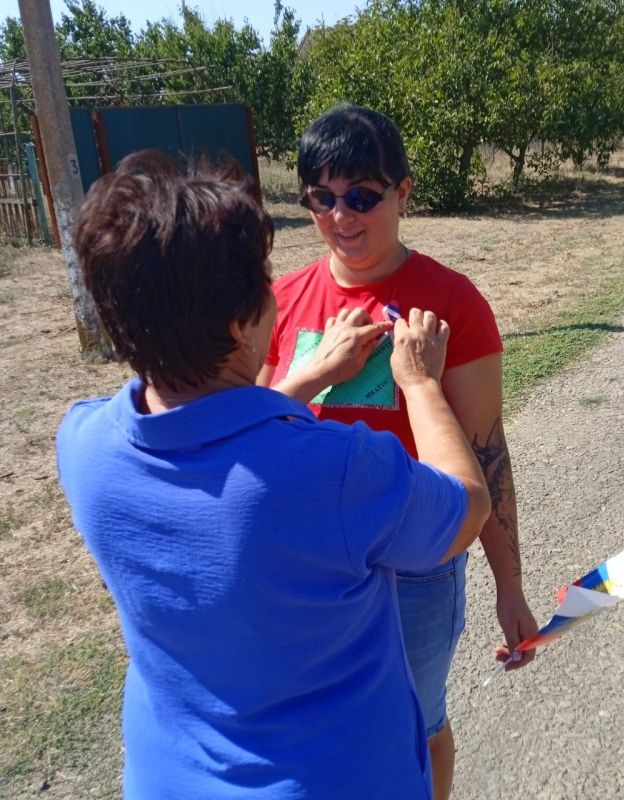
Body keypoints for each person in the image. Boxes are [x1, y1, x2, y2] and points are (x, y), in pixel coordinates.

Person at [56, 150, 491, 799]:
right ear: (243, 320)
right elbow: (464, 506)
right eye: (263, 279)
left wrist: (309, 375)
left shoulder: (83, 442)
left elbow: (220, 438)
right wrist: (421, 384)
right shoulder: (334, 468)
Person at [258, 105, 539, 799]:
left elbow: (485, 453)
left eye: (362, 196)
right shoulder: (281, 301)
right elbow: (252, 433)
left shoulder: (453, 303)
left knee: (415, 720)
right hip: (311, 569)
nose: (340, 216)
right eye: (321, 198)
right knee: (320, 730)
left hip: (417, 572)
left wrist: (509, 586)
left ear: (404, 192)